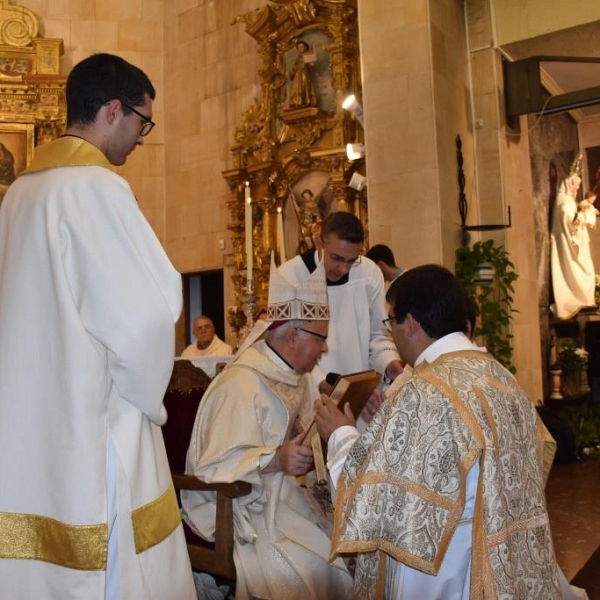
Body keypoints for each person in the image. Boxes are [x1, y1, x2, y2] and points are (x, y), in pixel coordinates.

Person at [0, 54, 196, 599]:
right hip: (93, 420)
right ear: (113, 110)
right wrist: (149, 399)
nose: (140, 138)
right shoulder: (96, 189)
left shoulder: (17, 196)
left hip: (27, 427)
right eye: (142, 122)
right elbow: (141, 323)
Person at [314, 264, 587, 600]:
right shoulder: (501, 377)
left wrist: (341, 435)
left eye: (391, 322)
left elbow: (383, 502)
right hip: (508, 564)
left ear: (410, 322)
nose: (392, 334)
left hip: (452, 570)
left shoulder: (424, 391)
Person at [182, 258, 353, 600]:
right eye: (320, 339)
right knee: (309, 567)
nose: (325, 349)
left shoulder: (295, 377)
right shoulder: (242, 383)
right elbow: (212, 467)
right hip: (240, 504)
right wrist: (276, 459)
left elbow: (299, 440)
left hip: (282, 494)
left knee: (347, 546)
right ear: (292, 335)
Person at [279, 211, 402, 392]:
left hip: (359, 391)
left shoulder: (369, 272)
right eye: (337, 259)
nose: (344, 269)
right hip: (310, 390)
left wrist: (388, 361)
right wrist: (321, 383)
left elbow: (379, 335)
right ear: (319, 242)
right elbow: (287, 345)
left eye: (352, 260)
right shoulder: (289, 276)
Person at [551, 159, 597, 319]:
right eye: (575, 186)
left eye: (578, 186)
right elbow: (567, 220)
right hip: (569, 243)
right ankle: (577, 297)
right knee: (585, 272)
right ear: (568, 185)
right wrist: (579, 222)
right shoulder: (564, 201)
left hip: (577, 243)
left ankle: (584, 298)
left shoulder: (570, 200)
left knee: (588, 271)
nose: (577, 189)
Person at [288, 40, 317, 108]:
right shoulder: (298, 58)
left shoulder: (308, 55)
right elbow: (295, 67)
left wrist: (311, 63)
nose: (301, 48)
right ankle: (297, 102)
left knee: (305, 87)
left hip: (304, 73)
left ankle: (305, 101)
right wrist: (291, 73)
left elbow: (312, 65)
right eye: (299, 47)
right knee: (296, 88)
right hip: (297, 75)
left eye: (302, 47)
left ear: (305, 47)